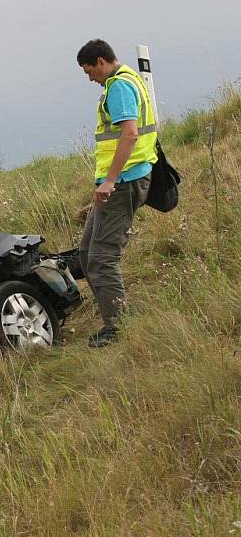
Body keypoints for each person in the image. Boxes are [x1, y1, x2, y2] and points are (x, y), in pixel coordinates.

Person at [76, 39, 158, 347]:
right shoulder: (125, 79)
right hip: (116, 184)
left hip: (122, 184)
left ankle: (118, 326)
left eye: (88, 71)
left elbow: (130, 133)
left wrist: (110, 180)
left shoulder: (120, 86)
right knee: (86, 253)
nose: (89, 78)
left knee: (101, 257)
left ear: (100, 61)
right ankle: (112, 317)